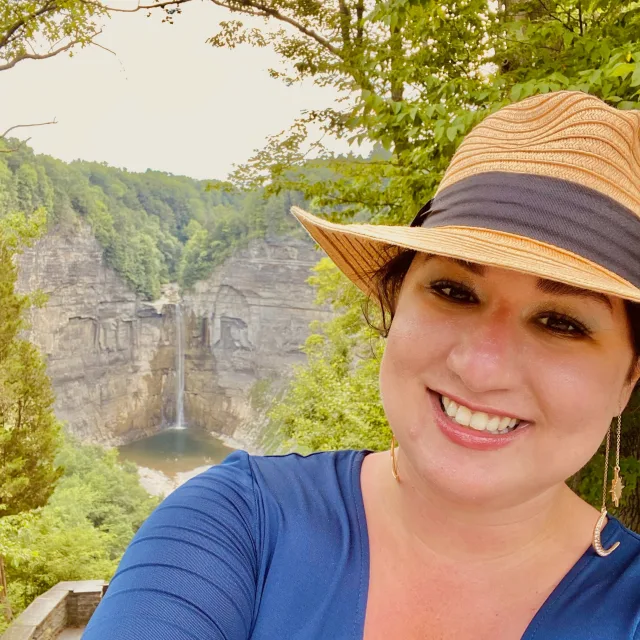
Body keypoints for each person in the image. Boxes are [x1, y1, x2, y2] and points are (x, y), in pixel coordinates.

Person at [83, 90, 640, 639]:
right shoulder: (235, 525)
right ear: (396, 307)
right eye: (453, 290)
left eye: (561, 322)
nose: (480, 367)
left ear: (628, 379)